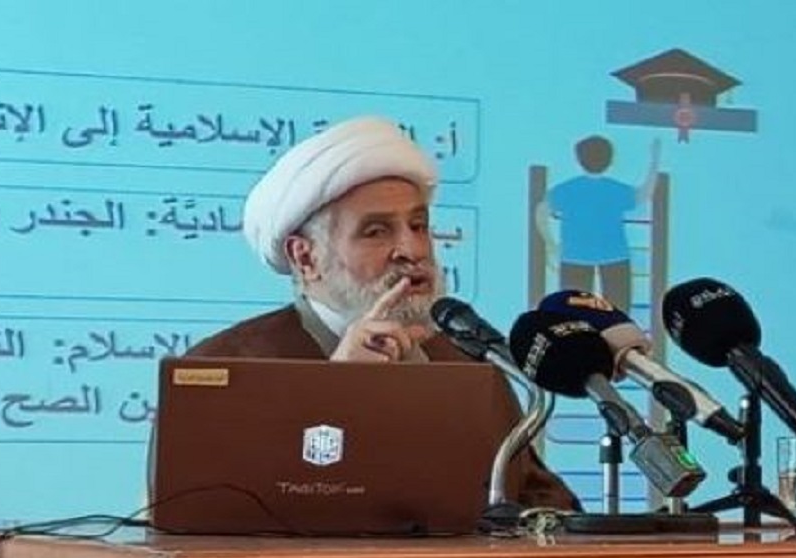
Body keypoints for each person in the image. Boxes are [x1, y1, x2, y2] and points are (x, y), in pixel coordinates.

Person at [188, 116, 579, 512]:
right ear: (305, 258)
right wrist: (333, 394)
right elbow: (202, 517)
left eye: (418, 226)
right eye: (376, 231)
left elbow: (540, 502)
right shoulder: (227, 367)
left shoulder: (469, 361)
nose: (412, 250)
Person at [536, 135, 661, 315]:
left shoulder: (566, 189)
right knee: (618, 312)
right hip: (614, 255)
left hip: (575, 255)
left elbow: (541, 212)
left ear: (579, 159)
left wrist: (551, 243)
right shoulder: (616, 189)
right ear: (610, 160)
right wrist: (654, 161)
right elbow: (644, 194)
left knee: (574, 314)